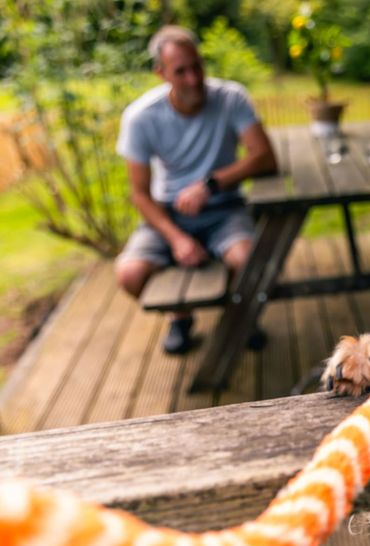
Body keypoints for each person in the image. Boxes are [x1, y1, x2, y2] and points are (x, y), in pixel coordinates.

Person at [115, 25, 277, 354]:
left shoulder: (231, 98)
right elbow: (140, 195)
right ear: (160, 73)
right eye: (181, 71)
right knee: (129, 274)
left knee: (248, 259)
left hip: (224, 209)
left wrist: (211, 184)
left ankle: (240, 318)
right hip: (168, 214)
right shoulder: (140, 117)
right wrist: (177, 239)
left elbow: (265, 157)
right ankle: (180, 316)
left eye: (197, 66)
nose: (193, 79)